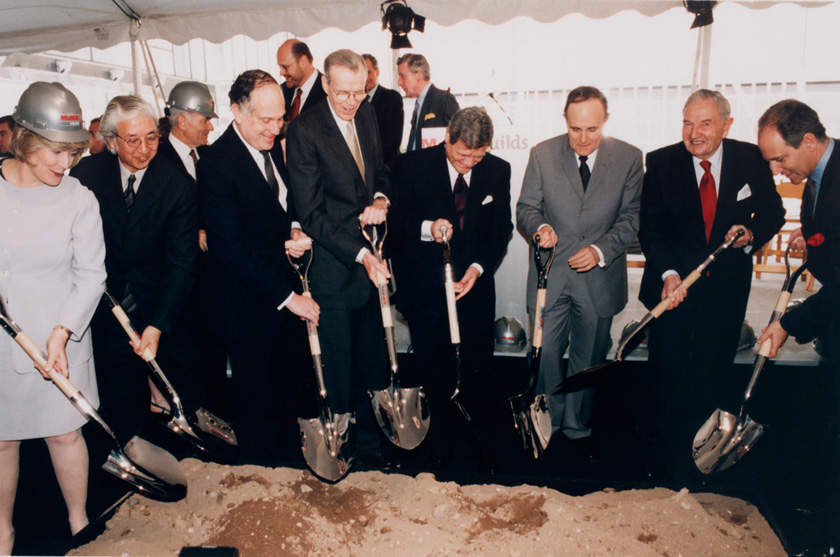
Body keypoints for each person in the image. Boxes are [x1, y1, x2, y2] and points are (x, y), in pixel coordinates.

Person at [638, 89, 785, 479]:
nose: (694, 133)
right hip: (673, 289)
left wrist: (751, 234)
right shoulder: (661, 161)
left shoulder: (750, 158)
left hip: (725, 291)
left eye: (705, 123)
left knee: (712, 373)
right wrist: (669, 273)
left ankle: (702, 459)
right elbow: (650, 228)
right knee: (666, 375)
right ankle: (663, 461)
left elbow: (773, 211)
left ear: (726, 125)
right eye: (688, 123)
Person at [0, 82, 106, 554]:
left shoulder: (79, 199)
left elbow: (92, 275)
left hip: (61, 333)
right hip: (4, 341)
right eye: (56, 152)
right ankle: (2, 531)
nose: (66, 164)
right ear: (25, 141)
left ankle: (79, 522)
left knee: (65, 433)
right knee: (2, 442)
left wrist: (62, 333)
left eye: (73, 153)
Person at [197, 69, 318, 462]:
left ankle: (289, 469)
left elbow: (281, 205)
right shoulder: (216, 163)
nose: (275, 128)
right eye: (266, 119)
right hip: (247, 308)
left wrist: (294, 227)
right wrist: (290, 299)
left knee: (285, 395)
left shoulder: (269, 148)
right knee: (258, 407)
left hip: (279, 298)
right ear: (237, 111)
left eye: (280, 118)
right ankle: (264, 476)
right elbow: (230, 250)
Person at [516, 86, 643, 462]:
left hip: (599, 278)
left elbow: (631, 217)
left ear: (606, 120)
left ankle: (576, 426)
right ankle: (549, 424)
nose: (583, 138)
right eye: (575, 129)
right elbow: (526, 207)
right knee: (546, 355)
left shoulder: (629, 158)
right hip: (551, 276)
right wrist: (540, 227)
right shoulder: (542, 154)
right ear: (565, 121)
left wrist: (601, 250)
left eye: (592, 129)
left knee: (588, 359)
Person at [70, 95, 200, 447]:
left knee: (173, 406)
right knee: (118, 402)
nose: (144, 149)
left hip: (161, 306)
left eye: (151, 138)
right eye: (133, 140)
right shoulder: (85, 176)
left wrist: (157, 324)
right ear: (112, 140)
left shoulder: (177, 184)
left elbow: (181, 262)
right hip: (103, 307)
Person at [286, 49, 393, 468]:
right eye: (342, 93)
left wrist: (380, 200)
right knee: (337, 368)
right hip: (334, 268)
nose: (351, 102)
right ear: (326, 85)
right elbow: (312, 213)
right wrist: (361, 254)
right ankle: (339, 450)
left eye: (359, 92)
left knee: (371, 361)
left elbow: (380, 169)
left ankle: (370, 444)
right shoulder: (305, 130)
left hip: (370, 266)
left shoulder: (367, 114)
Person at [391, 106, 512, 469]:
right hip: (426, 291)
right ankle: (439, 441)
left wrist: (477, 268)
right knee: (434, 368)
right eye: (462, 155)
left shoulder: (497, 170)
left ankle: (477, 439)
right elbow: (396, 225)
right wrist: (428, 228)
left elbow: (501, 229)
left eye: (477, 157)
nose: (468, 163)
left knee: (477, 368)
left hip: (474, 290)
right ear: (447, 138)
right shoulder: (411, 166)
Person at [756, 100, 840, 550]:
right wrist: (815, 239)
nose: (775, 170)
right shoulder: (815, 177)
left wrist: (790, 322)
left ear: (808, 141)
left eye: (780, 158)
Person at [396, 53, 459, 152]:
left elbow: (458, 139)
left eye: (402, 76)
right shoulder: (419, 104)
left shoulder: (444, 100)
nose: (399, 82)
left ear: (418, 75)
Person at [159, 81, 217, 182]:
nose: (211, 128)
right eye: (205, 121)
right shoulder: (158, 162)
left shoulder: (212, 156)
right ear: (182, 122)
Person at [362, 53, 404, 170]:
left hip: (386, 168)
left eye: (368, 72)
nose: (365, 78)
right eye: (361, 74)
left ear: (377, 72)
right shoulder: (353, 101)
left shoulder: (392, 98)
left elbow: (392, 142)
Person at [276, 39, 327, 122]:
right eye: (280, 67)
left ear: (303, 62)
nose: (281, 73)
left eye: (285, 67)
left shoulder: (328, 92)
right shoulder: (280, 91)